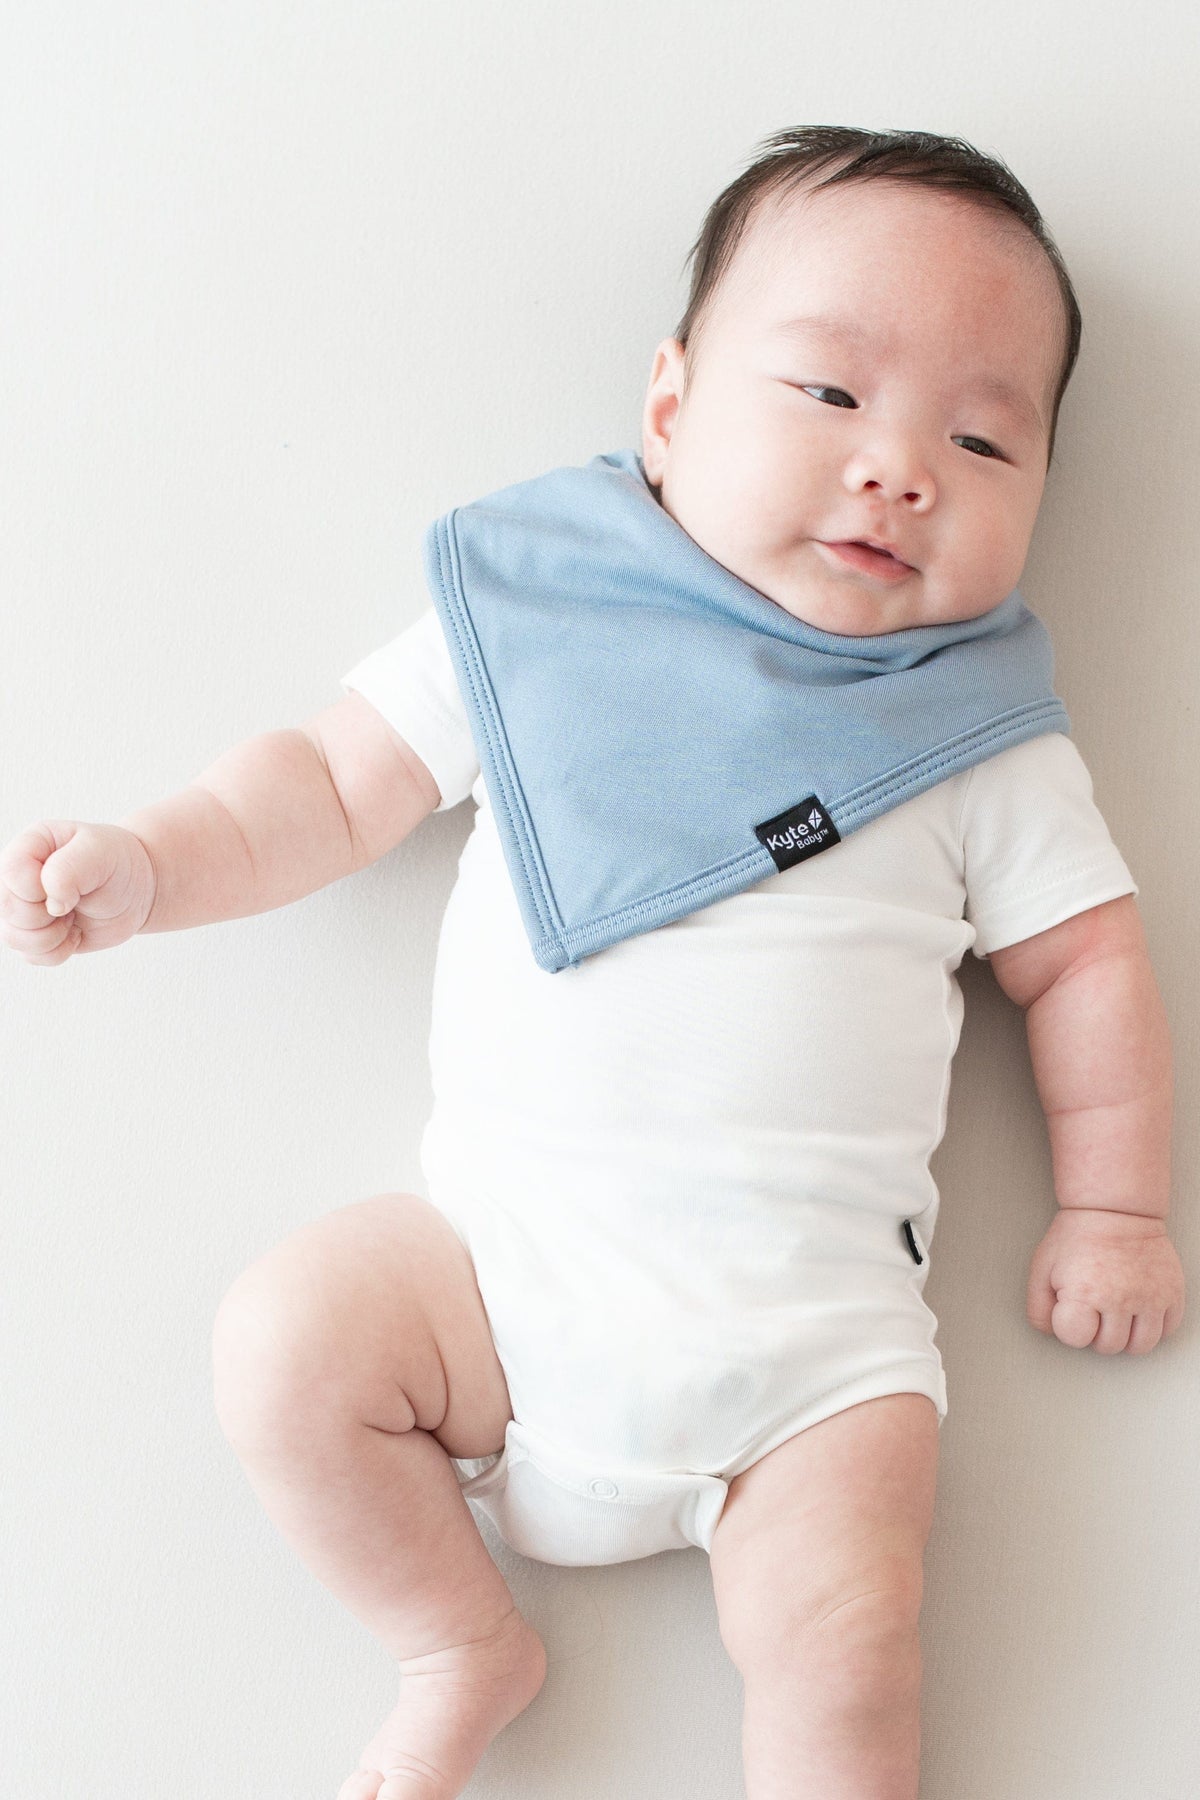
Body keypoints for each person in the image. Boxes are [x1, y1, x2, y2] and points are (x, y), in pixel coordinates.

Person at [2, 126, 1184, 1800]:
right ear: (670, 406)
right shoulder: (546, 621)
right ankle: (455, 1639)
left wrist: (1118, 1208)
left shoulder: (981, 740)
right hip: (493, 1292)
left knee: (850, 1644)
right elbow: (330, 787)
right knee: (288, 1339)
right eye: (832, 397)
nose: (900, 466)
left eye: (983, 438)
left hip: (815, 1364)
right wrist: (151, 865)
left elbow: (1084, 973)